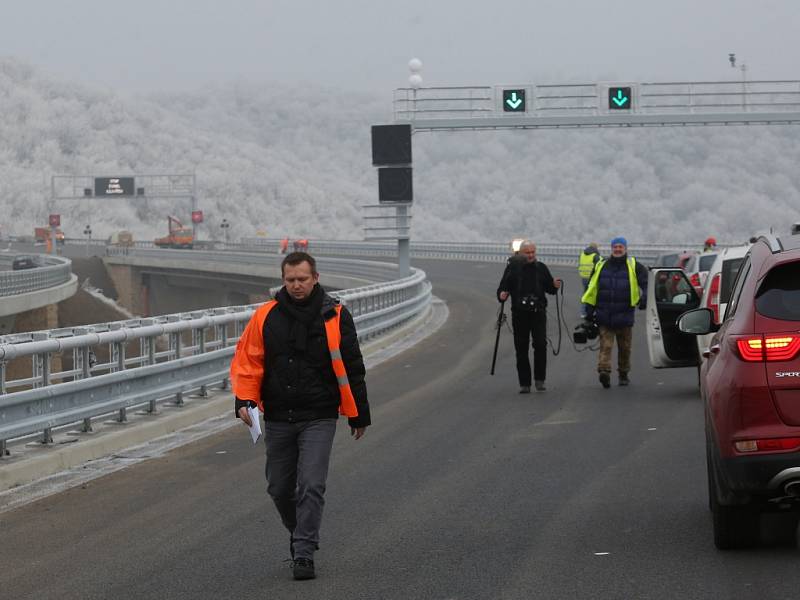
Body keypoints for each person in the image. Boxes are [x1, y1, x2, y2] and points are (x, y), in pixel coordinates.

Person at [230, 251, 371, 581]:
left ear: (316, 278)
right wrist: (244, 400)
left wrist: (359, 413)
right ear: (283, 280)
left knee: (310, 484)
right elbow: (249, 362)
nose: (296, 285)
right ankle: (300, 532)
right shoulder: (266, 316)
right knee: (279, 488)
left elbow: (353, 366)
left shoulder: (335, 315)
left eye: (302, 280)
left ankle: (304, 553)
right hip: (278, 415)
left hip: (319, 414)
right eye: (290, 280)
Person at [581, 237, 648, 388]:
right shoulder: (601, 265)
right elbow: (592, 289)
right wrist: (589, 312)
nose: (617, 249)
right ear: (611, 248)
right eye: (615, 247)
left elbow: (646, 282)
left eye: (620, 247)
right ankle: (604, 371)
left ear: (625, 248)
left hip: (625, 314)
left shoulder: (633, 265)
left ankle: (623, 373)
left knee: (625, 348)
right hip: (605, 314)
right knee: (606, 345)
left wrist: (644, 298)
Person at [497, 241, 562, 393]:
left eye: (533, 252)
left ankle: (540, 380)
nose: (531, 255)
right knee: (521, 349)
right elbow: (502, 290)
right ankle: (524, 384)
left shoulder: (541, 268)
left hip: (538, 313)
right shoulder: (512, 269)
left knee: (540, 345)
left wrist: (555, 285)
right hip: (519, 315)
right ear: (520, 253)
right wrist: (502, 295)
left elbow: (550, 289)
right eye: (528, 252)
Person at [577, 242, 601, 318]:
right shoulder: (595, 256)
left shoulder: (582, 254)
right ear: (595, 248)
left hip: (584, 277)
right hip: (592, 278)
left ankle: (583, 312)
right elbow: (599, 266)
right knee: (594, 295)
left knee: (585, 294)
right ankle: (594, 312)